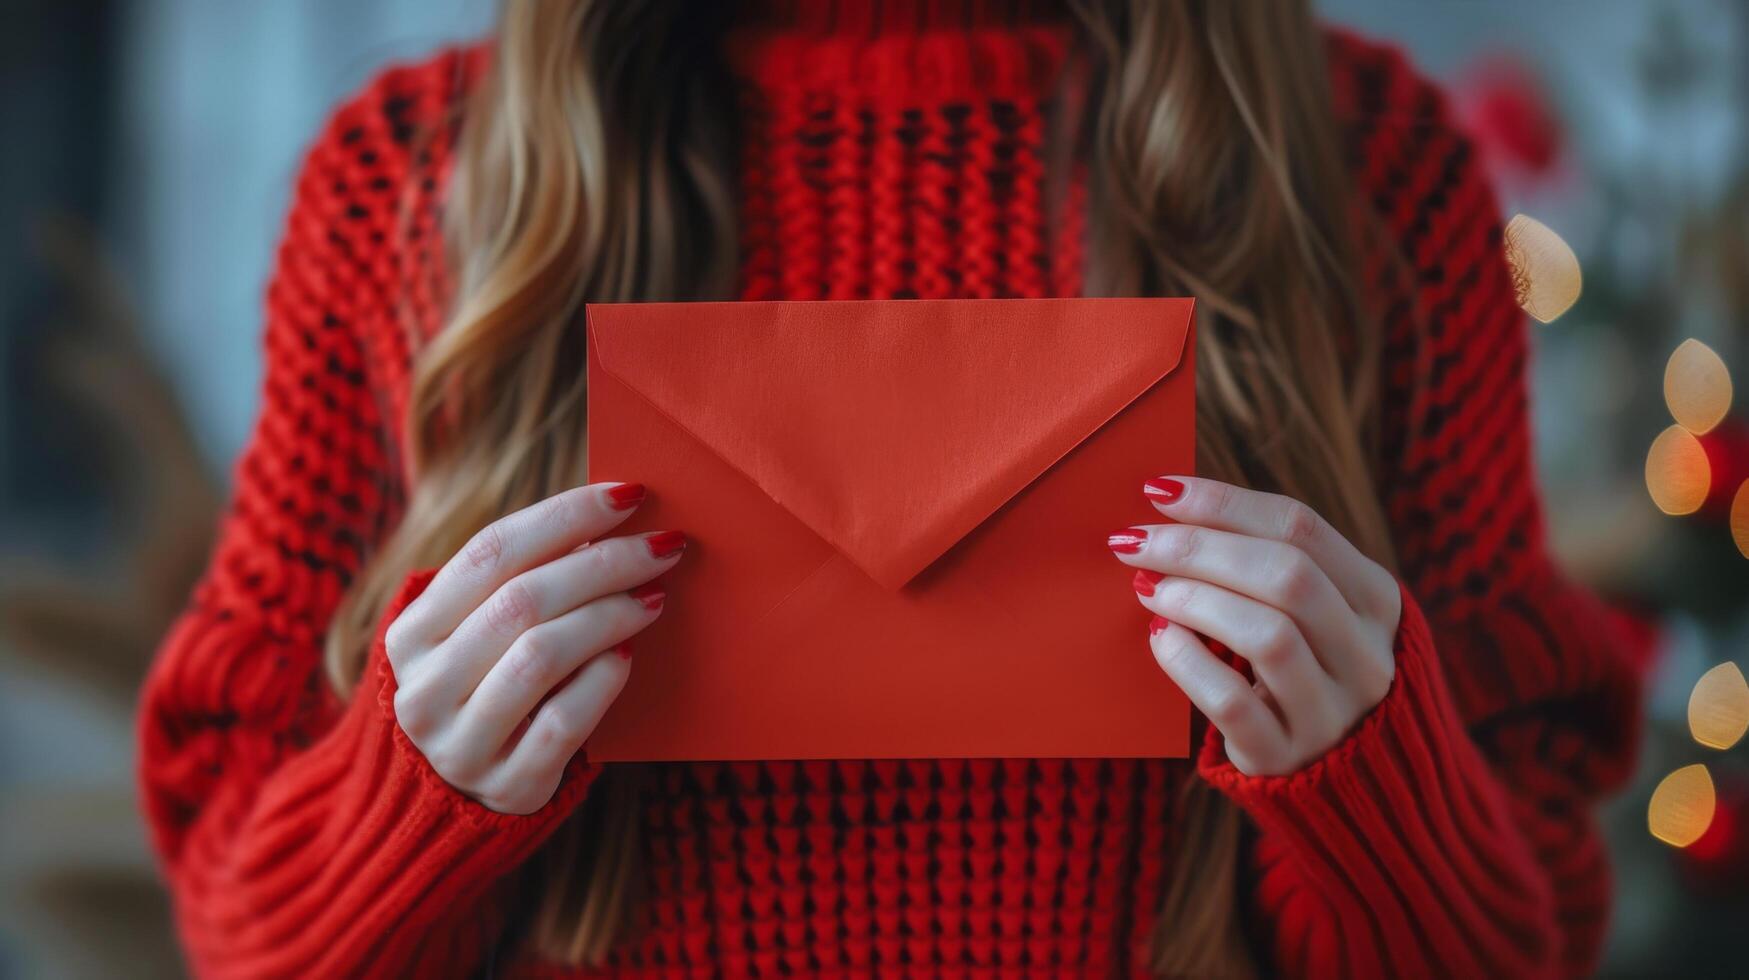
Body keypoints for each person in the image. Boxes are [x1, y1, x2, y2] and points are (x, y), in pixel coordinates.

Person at [138, 1, 1643, 976]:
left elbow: (1526, 940)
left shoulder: (1367, 173)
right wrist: (410, 797)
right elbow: (236, 926)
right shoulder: (410, 187)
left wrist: (1371, 774)